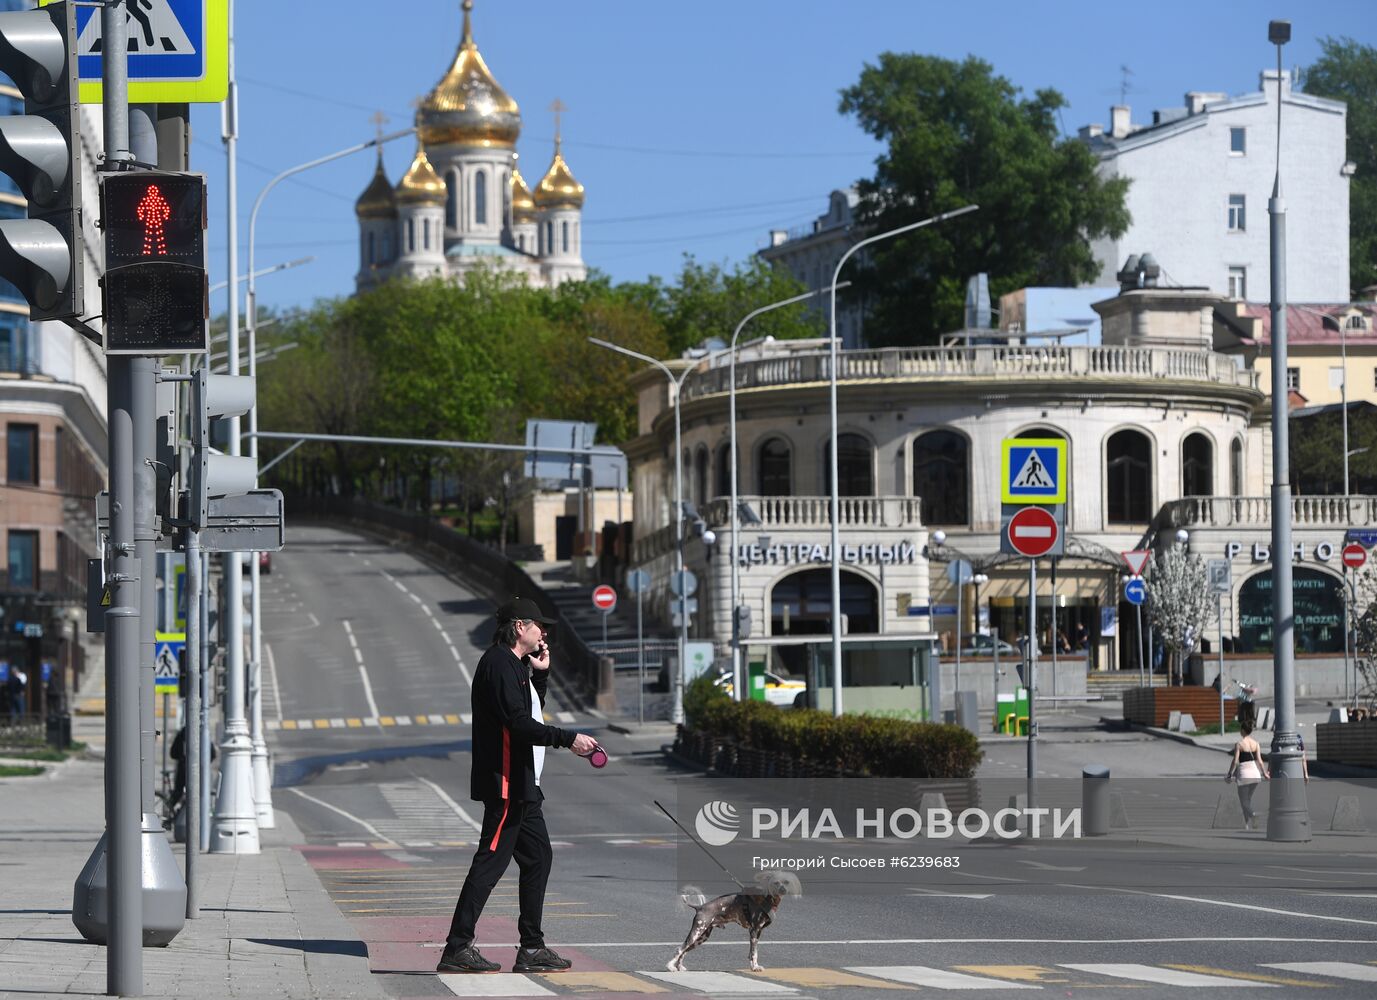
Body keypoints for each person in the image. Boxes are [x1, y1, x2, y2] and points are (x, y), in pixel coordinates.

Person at [438, 597, 599, 975]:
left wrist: (540, 675)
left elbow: (530, 711)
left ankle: (531, 948)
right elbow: (518, 724)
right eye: (538, 626)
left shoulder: (516, 666)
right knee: (490, 863)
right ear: (518, 627)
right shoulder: (496, 664)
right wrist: (568, 738)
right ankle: (457, 947)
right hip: (507, 782)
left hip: (524, 784)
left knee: (538, 857)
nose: (544, 633)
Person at [1225, 719, 1270, 830]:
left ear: (1243, 731)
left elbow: (1235, 761)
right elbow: (1260, 760)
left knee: (1243, 800)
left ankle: (1253, 816)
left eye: (1241, 729)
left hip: (1244, 774)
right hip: (1255, 774)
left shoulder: (1239, 744)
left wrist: (1229, 773)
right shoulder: (1256, 744)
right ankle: (1246, 824)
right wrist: (1264, 773)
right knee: (1247, 800)